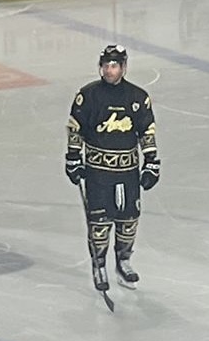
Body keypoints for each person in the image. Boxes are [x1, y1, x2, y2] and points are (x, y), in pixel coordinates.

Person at [65, 45, 160, 295]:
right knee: (99, 221)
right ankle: (99, 264)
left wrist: (151, 162)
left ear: (124, 67)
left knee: (129, 219)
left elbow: (146, 132)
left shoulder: (138, 97)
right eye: (106, 65)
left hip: (128, 171)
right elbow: (75, 128)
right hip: (98, 172)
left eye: (114, 65)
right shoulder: (88, 96)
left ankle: (123, 261)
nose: (109, 70)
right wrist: (73, 158)